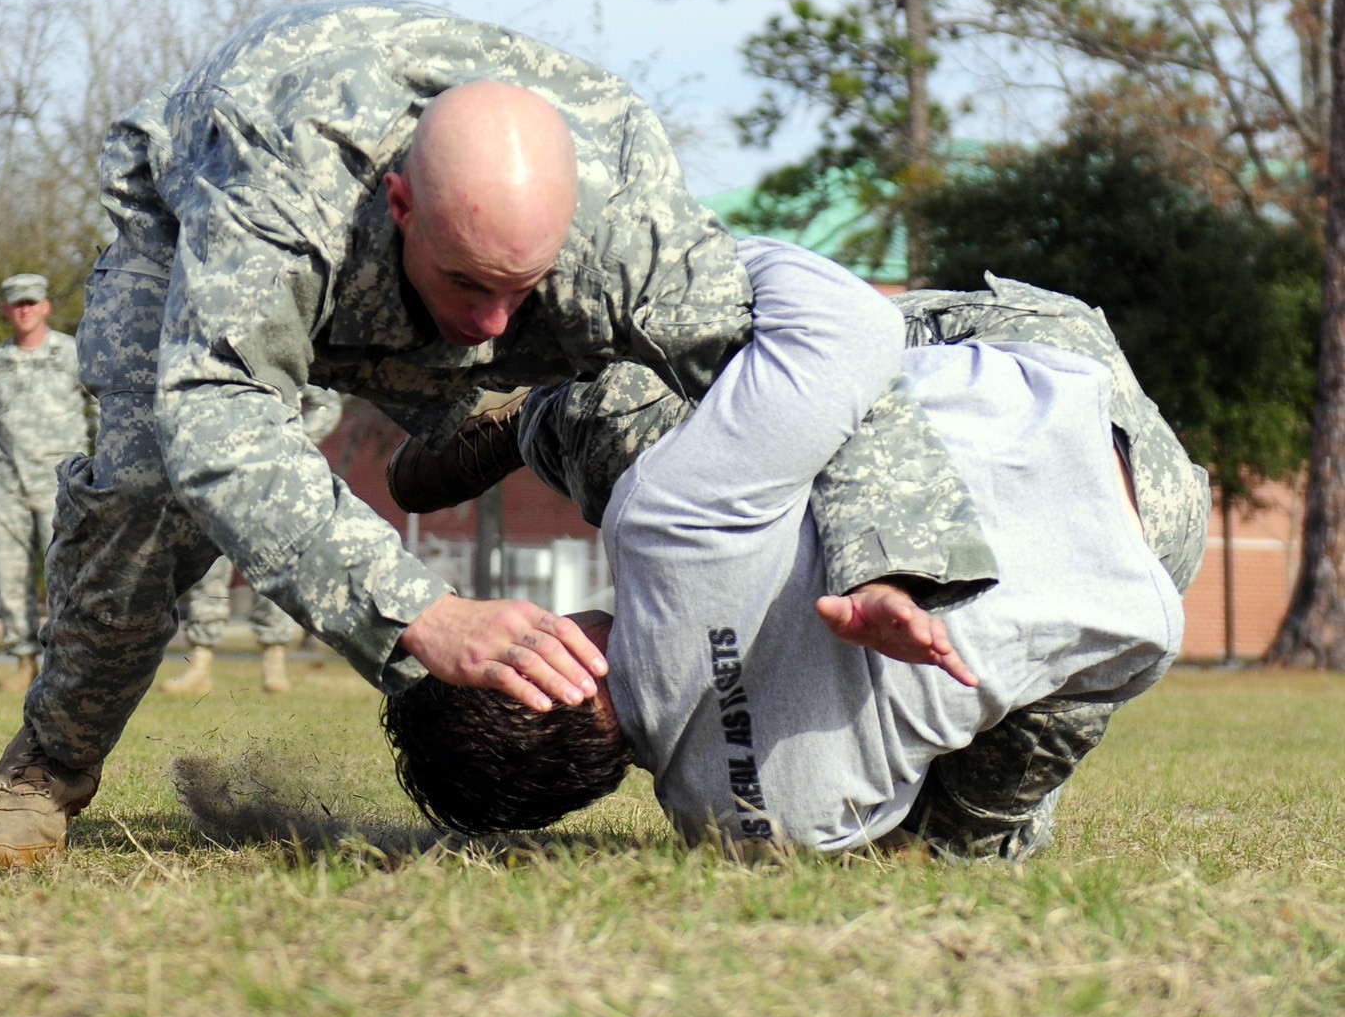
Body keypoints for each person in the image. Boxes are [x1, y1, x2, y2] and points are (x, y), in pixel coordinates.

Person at [0, 0, 1002, 869]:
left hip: (513, 275)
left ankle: (528, 412)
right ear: (402, 202)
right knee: (149, 484)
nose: (496, 322)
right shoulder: (279, 193)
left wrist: (892, 569)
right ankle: (49, 762)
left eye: (521, 291)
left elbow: (836, 385)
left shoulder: (629, 228)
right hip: (198, 216)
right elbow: (215, 418)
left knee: (659, 436)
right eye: (471, 286)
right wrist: (418, 611)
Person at [383, 237, 1210, 860]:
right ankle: (539, 414)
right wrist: (661, 274)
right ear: (533, 652)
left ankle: (979, 824)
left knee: (964, 841)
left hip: (1152, 563)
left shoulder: (755, 832)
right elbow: (842, 324)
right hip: (1051, 380)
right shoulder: (665, 529)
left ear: (582, 787)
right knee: (624, 412)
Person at [0, 273, 96, 693]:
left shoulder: (73, 354)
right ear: (6, 310)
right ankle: (22, 661)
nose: (25, 310)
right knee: (11, 574)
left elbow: (99, 408)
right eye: (17, 304)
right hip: (10, 489)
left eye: (32, 303)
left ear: (46, 306)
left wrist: (90, 461)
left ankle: (66, 662)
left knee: (67, 576)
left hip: (61, 485)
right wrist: (2, 451)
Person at [162, 386, 345, 696]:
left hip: (270, 483)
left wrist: (290, 442)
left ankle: (274, 666)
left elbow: (327, 403)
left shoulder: (277, 352)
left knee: (273, 567)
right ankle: (200, 666)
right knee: (208, 574)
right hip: (216, 478)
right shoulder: (214, 359)